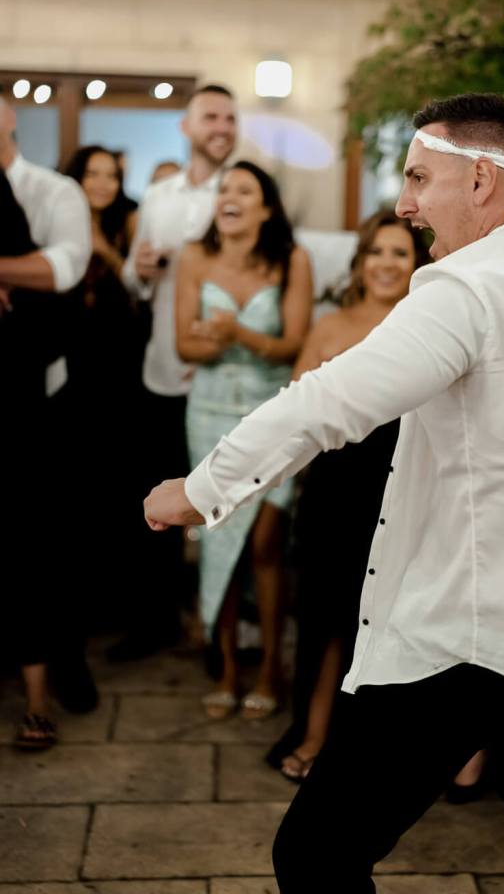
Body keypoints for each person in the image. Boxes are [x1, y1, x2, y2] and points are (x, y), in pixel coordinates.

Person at [144, 92, 504, 894]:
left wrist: (200, 488)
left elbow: (325, 402)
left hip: (468, 640)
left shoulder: (466, 288)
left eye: (417, 177)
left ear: (478, 179)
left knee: (315, 854)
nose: (403, 204)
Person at [268, 209, 429, 778]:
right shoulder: (330, 326)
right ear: (360, 263)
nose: (386, 263)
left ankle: (376, 754)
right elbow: (294, 413)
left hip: (402, 489)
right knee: (326, 619)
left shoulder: (428, 324)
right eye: (377, 252)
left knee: (392, 623)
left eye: (399, 253)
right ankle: (314, 733)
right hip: (333, 493)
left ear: (417, 265)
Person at [176, 161, 312, 719]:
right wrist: (212, 341)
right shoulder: (193, 257)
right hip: (207, 411)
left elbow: (293, 345)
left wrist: (238, 333)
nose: (229, 197)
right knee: (219, 538)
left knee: (263, 544)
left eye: (243, 190)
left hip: (269, 412)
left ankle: (271, 667)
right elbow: (184, 346)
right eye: (223, 190)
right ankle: (228, 666)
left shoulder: (292, 259)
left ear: (265, 208)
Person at [113, 84, 238, 661]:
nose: (223, 126)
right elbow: (134, 282)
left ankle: (218, 632)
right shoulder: (157, 195)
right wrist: (137, 271)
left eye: (230, 119)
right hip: (161, 370)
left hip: (217, 373)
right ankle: (153, 622)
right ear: (186, 128)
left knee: (220, 502)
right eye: (211, 116)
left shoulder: (239, 195)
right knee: (159, 503)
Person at [0, 93, 96, 719]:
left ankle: (60, 664)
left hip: (32, 383)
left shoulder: (53, 189)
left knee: (40, 532)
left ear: (7, 116)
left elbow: (65, 265)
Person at [62, 145, 144, 628]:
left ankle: (113, 603)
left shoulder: (128, 223)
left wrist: (107, 253)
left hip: (118, 372)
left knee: (115, 487)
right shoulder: (51, 219)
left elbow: (141, 292)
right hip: (67, 371)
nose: (101, 184)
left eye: (110, 175)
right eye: (92, 174)